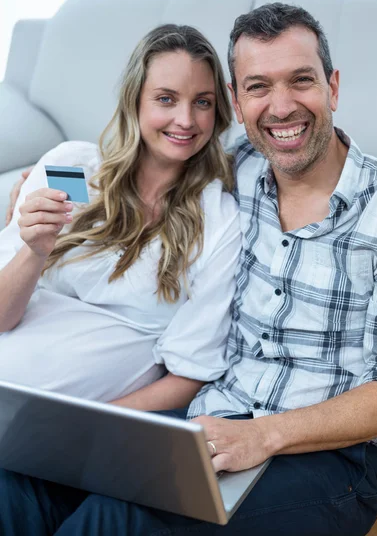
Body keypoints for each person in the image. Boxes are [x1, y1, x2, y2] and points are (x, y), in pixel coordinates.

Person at [1, 2, 377, 536]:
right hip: (207, 422)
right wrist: (36, 186)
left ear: (332, 86)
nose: (281, 107)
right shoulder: (238, 165)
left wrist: (265, 435)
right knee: (18, 489)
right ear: (239, 102)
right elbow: (146, 151)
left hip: (324, 455)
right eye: (258, 87)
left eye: (301, 81)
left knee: (115, 519)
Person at [0, 23, 241, 409]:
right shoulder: (75, 169)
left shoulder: (216, 217)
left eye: (203, 102)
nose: (186, 120)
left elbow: (189, 373)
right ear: (135, 100)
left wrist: (90, 429)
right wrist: (34, 252)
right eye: (165, 99)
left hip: (72, 431)